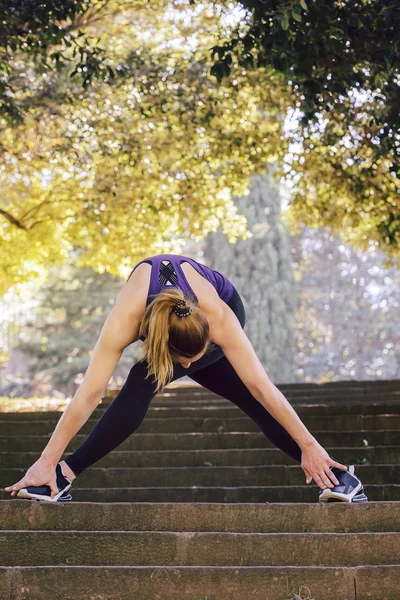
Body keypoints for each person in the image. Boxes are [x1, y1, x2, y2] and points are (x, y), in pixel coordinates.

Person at [5, 253, 367, 503]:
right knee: (141, 379)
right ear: (164, 349)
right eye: (188, 362)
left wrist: (309, 444)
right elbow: (89, 393)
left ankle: (337, 476)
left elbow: (262, 386)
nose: (195, 366)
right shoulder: (126, 319)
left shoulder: (219, 320)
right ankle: (61, 474)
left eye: (203, 353)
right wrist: (46, 460)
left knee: (248, 395)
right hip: (163, 324)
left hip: (224, 305)